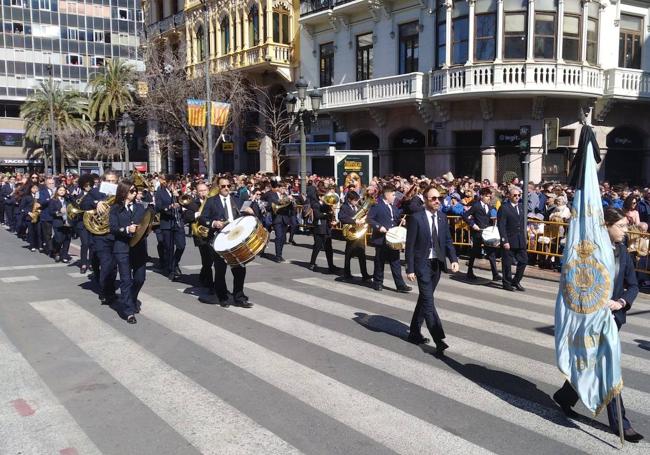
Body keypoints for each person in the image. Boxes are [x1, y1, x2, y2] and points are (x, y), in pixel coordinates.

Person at [553, 208, 644, 443]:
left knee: (594, 362)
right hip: (590, 319)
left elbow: (632, 285)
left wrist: (622, 301)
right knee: (607, 366)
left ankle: (565, 396)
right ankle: (621, 424)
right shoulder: (589, 252)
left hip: (613, 319)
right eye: (621, 226)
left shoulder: (623, 252)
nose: (625, 230)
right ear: (607, 226)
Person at [405, 185, 459, 354]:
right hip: (422, 264)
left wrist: (454, 259)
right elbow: (410, 245)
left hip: (437, 264)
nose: (437, 201)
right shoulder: (416, 218)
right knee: (428, 301)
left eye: (439, 198)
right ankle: (438, 339)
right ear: (425, 200)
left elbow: (447, 241)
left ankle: (414, 331)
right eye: (433, 198)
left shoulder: (442, 217)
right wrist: (410, 268)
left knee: (424, 298)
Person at [198, 176, 254, 308]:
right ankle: (222, 296)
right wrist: (214, 223)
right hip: (219, 240)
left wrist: (251, 212)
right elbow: (202, 218)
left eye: (228, 186)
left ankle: (239, 296)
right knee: (220, 270)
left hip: (235, 240)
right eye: (223, 186)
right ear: (218, 187)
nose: (226, 188)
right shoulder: (211, 201)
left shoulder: (236, 200)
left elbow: (244, 217)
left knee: (240, 269)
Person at [109, 180, 148, 324]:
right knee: (126, 280)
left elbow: (146, 224)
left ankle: (131, 299)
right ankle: (128, 311)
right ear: (124, 192)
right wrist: (126, 229)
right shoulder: (115, 209)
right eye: (132, 191)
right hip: (122, 248)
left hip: (138, 247)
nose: (135, 193)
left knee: (140, 278)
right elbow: (112, 228)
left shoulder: (140, 208)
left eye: (135, 191)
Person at [367, 184, 412, 293]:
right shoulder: (377, 205)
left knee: (395, 262)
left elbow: (395, 218)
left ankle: (400, 285)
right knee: (379, 262)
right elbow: (369, 219)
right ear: (387, 194)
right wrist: (379, 227)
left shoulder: (393, 206)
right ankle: (378, 282)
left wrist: (402, 220)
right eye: (393, 194)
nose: (394, 196)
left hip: (393, 238)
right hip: (381, 239)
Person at [89, 171, 119, 304]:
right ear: (103, 181)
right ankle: (105, 292)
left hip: (116, 234)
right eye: (108, 180)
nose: (111, 183)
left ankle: (109, 290)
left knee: (113, 266)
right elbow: (83, 203)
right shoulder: (95, 192)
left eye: (113, 181)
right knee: (106, 264)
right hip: (101, 235)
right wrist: (96, 204)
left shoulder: (120, 193)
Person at [463, 187, 500, 281]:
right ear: (482, 196)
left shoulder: (489, 207)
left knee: (491, 253)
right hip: (478, 233)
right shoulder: (476, 205)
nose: (489, 198)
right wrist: (473, 224)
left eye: (490, 197)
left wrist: (493, 221)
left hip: (487, 234)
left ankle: (495, 274)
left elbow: (489, 218)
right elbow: (465, 215)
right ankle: (469, 271)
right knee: (474, 252)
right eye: (487, 196)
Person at [183, 182, 214, 291]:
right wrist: (197, 214)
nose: (203, 193)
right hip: (200, 235)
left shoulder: (212, 201)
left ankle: (202, 276)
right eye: (200, 191)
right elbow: (186, 217)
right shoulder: (193, 204)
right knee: (207, 259)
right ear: (196, 192)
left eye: (204, 190)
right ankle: (210, 284)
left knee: (211, 259)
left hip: (212, 233)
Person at [155, 174, 186, 281]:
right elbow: (158, 207)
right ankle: (171, 269)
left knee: (181, 246)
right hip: (167, 224)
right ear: (167, 183)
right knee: (169, 248)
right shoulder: (159, 193)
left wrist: (177, 196)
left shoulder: (178, 193)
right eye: (171, 183)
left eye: (175, 183)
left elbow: (185, 203)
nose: (173, 185)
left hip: (178, 223)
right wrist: (169, 207)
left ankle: (174, 263)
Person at [497, 186, 528, 292]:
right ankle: (506, 282)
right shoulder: (504, 207)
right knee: (507, 263)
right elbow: (501, 225)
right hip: (509, 240)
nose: (517, 197)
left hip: (520, 239)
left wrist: (525, 238)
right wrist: (504, 240)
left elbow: (521, 224)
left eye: (519, 195)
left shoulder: (520, 206)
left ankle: (516, 281)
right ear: (509, 196)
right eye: (515, 195)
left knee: (524, 261)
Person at [338, 190, 371, 281]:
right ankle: (347, 273)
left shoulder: (358, 207)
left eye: (357, 200)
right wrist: (354, 221)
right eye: (355, 200)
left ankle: (365, 275)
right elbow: (341, 217)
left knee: (362, 255)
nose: (357, 202)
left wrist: (364, 218)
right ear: (349, 199)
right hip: (351, 233)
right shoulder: (344, 207)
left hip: (359, 234)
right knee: (348, 255)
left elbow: (363, 216)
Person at [307, 188, 340, 273]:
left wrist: (332, 217)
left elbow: (330, 215)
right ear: (320, 196)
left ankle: (331, 265)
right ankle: (312, 263)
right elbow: (318, 215)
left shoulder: (327, 204)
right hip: (319, 228)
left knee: (329, 248)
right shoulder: (315, 204)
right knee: (317, 247)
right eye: (323, 196)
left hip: (327, 228)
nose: (324, 197)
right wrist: (327, 214)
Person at [74, 174, 96, 274]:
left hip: (93, 223)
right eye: (86, 185)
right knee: (85, 243)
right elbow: (74, 208)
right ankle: (83, 263)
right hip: (82, 223)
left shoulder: (95, 195)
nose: (88, 187)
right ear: (82, 185)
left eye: (89, 185)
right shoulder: (79, 196)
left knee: (92, 244)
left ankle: (91, 263)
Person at [266, 181, 292, 262]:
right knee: (279, 237)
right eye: (282, 188)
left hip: (285, 219)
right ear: (279, 188)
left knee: (283, 238)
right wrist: (283, 200)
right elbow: (270, 205)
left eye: (285, 188)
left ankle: (280, 254)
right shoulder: (272, 195)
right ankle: (277, 256)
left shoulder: (286, 196)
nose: (284, 190)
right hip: (277, 219)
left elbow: (291, 209)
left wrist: (291, 202)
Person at [48, 185, 73, 263]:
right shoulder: (53, 200)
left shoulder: (67, 199)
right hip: (58, 222)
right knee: (59, 239)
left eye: (63, 190)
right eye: (60, 190)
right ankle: (56, 252)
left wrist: (70, 194)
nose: (62, 192)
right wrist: (59, 212)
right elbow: (51, 212)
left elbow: (74, 203)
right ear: (57, 191)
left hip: (68, 222)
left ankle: (64, 255)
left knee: (67, 239)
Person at [38, 176, 56, 257]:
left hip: (56, 216)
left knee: (57, 234)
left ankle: (55, 247)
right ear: (46, 184)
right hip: (46, 216)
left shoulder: (58, 191)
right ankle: (51, 249)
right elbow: (41, 203)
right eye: (49, 183)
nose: (51, 185)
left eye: (53, 183)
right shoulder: (42, 192)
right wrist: (50, 198)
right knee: (47, 234)